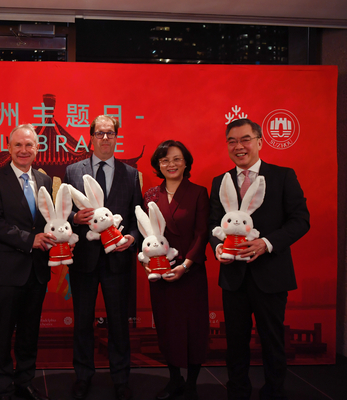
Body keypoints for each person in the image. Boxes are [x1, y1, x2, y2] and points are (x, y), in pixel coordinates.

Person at [208, 119, 310, 400]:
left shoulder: (283, 176)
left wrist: (266, 243)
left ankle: (274, 391)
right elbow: (213, 224)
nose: (238, 146)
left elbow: (300, 220)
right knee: (235, 341)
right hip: (233, 277)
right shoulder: (221, 181)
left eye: (245, 139)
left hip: (271, 274)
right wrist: (218, 247)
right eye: (232, 141)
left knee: (272, 340)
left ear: (260, 142)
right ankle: (237, 391)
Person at [63, 115, 141, 400]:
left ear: (116, 137)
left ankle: (121, 378)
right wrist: (74, 218)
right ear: (91, 138)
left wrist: (131, 239)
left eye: (110, 133)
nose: (105, 138)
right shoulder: (73, 171)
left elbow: (137, 217)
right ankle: (83, 376)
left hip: (118, 261)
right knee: (82, 322)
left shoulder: (130, 174)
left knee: (119, 323)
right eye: (99, 133)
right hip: (84, 260)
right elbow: (62, 213)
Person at [0, 124, 55, 400]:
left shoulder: (45, 180)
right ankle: (3, 387)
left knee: (29, 332)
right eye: (18, 145)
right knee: (2, 332)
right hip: (7, 271)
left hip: (37, 270)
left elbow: (49, 219)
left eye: (29, 145)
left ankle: (25, 381)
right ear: (9, 147)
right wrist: (29, 240)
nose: (24, 150)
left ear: (37, 148)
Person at [142, 140, 209, 400]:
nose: (171, 164)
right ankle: (174, 379)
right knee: (167, 327)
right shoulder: (151, 195)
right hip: (161, 272)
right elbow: (147, 234)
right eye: (165, 160)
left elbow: (202, 234)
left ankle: (192, 383)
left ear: (186, 162)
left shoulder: (198, 192)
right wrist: (146, 262)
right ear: (158, 165)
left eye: (177, 159)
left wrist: (186, 265)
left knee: (194, 329)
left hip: (190, 272)